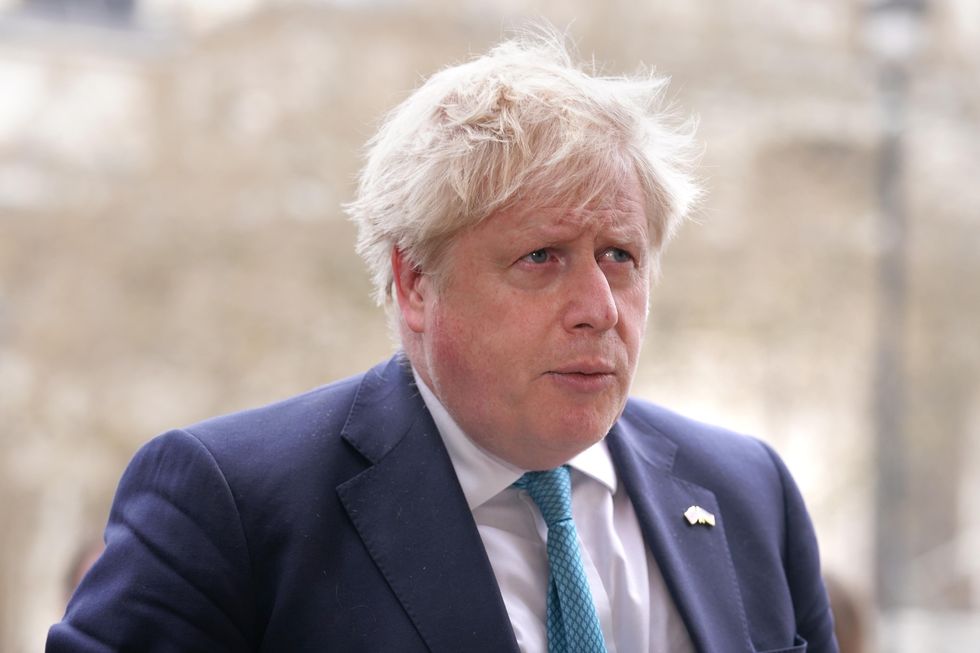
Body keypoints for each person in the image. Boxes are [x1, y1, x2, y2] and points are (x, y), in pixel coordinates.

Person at [47, 29, 838, 653]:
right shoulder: (232, 509)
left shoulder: (746, 493)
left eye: (620, 257)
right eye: (542, 257)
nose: (599, 307)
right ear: (417, 281)